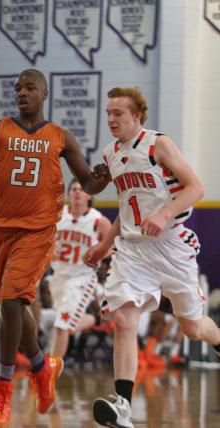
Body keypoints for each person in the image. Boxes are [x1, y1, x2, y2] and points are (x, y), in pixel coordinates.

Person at [0, 68, 110, 425]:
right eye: (17, 88)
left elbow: (88, 184)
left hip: (38, 231)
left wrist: (101, 181)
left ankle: (2, 387)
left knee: (12, 303)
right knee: (13, 308)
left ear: (44, 94)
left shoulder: (60, 136)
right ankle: (43, 367)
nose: (21, 93)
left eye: (29, 87)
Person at [83, 87, 220, 428]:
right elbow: (129, 209)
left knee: (192, 327)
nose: (111, 119)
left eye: (119, 113)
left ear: (137, 117)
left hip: (172, 244)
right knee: (124, 319)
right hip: (132, 249)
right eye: (108, 113)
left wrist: (165, 214)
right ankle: (124, 406)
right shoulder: (110, 153)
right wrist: (104, 246)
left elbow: (195, 188)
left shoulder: (158, 144)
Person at [48, 179, 111, 358]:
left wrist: (98, 254)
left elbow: (116, 246)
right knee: (64, 326)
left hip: (82, 278)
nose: (77, 192)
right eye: (73, 189)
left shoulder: (98, 221)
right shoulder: (58, 216)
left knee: (61, 325)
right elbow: (46, 241)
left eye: (81, 189)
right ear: (68, 194)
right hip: (59, 276)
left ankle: (51, 372)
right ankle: (95, 319)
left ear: (89, 195)